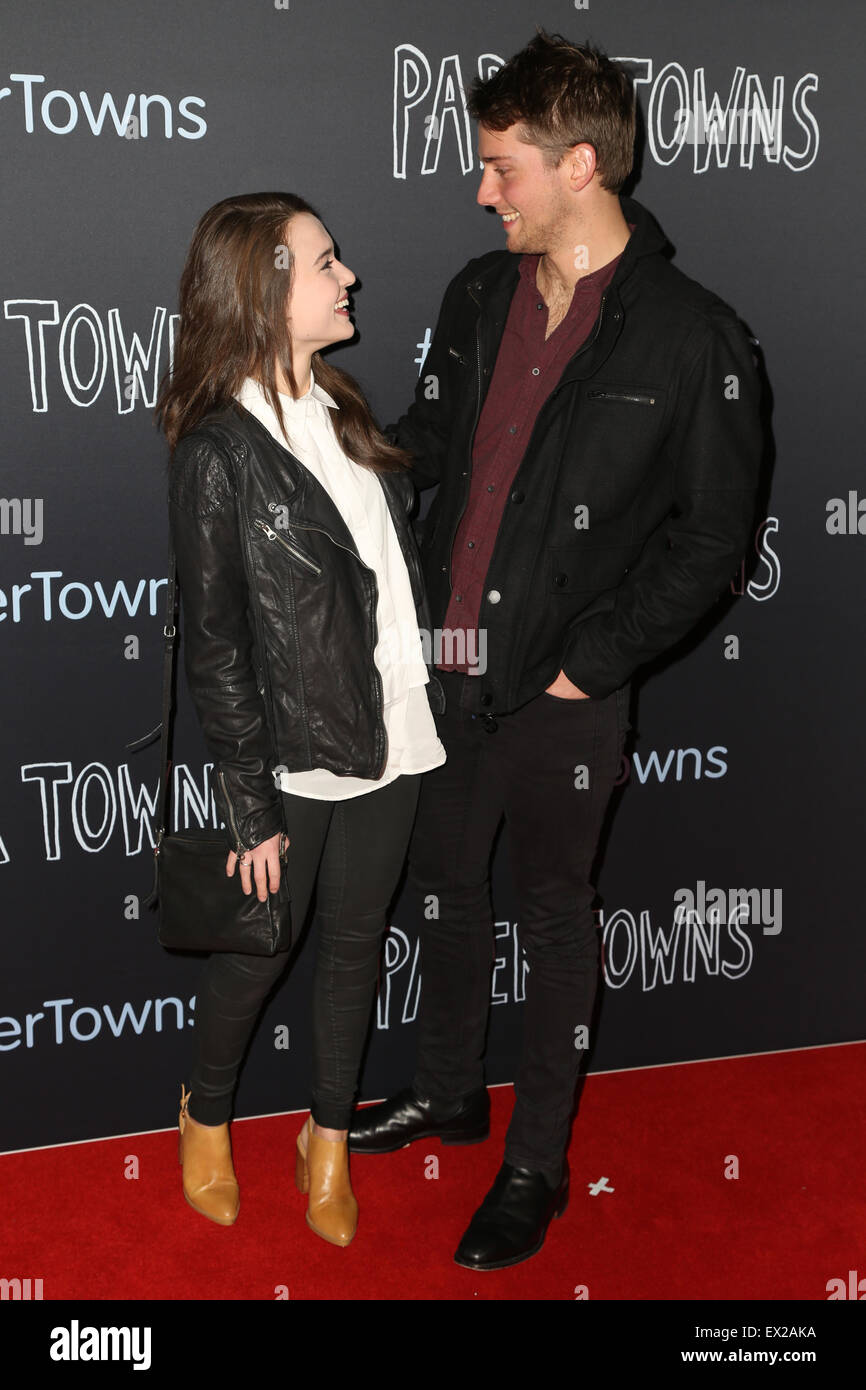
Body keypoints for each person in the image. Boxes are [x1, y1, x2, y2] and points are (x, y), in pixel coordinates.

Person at [348, 32, 764, 1270]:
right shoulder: (480, 292)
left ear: (579, 164)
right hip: (449, 655)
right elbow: (436, 431)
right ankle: (447, 1088)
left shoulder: (693, 339)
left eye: (501, 169)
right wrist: (326, 435)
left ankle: (534, 1164)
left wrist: (591, 661)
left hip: (563, 691)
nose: (482, 192)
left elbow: (712, 540)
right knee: (447, 889)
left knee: (553, 914)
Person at [156, 192, 446, 1245]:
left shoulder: (342, 406)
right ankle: (206, 1112)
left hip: (395, 725)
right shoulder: (217, 449)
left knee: (358, 943)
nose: (348, 275)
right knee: (262, 948)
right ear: (269, 284)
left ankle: (326, 1139)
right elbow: (220, 642)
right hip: (292, 752)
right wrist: (248, 804)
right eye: (327, 260)